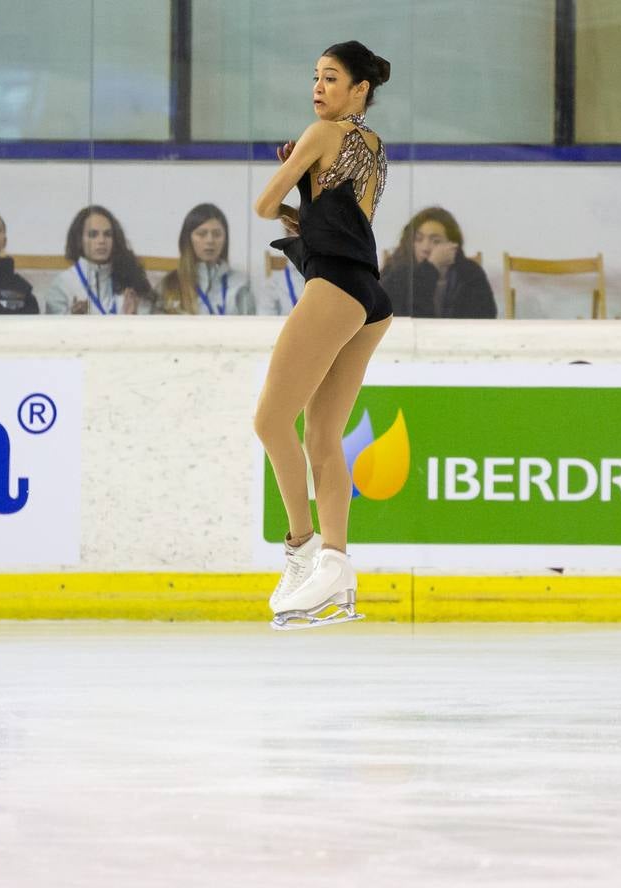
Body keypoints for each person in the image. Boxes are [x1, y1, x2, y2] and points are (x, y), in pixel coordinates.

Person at [252, 41, 393, 630]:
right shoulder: (377, 149)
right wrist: (306, 201)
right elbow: (343, 220)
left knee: (269, 421)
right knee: (322, 437)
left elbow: (263, 205)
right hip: (372, 300)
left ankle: (301, 547)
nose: (319, 88)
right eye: (315, 77)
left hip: (333, 288)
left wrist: (295, 179)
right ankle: (336, 566)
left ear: (359, 89)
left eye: (332, 78)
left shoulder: (319, 133)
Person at [382, 206, 495, 318]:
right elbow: (394, 315)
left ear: (452, 245)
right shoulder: (396, 270)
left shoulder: (469, 273)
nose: (425, 248)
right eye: (418, 239)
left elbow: (485, 316)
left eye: (436, 241)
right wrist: (431, 268)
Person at [41, 205, 153, 315]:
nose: (102, 240)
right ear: (79, 240)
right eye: (93, 235)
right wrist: (72, 319)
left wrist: (132, 318)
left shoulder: (131, 279)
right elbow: (52, 331)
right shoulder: (62, 285)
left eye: (108, 234)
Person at [155, 203, 255, 315]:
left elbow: (251, 327)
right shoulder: (169, 284)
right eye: (202, 234)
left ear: (225, 239)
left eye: (217, 234)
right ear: (188, 239)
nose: (210, 240)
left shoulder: (240, 284)